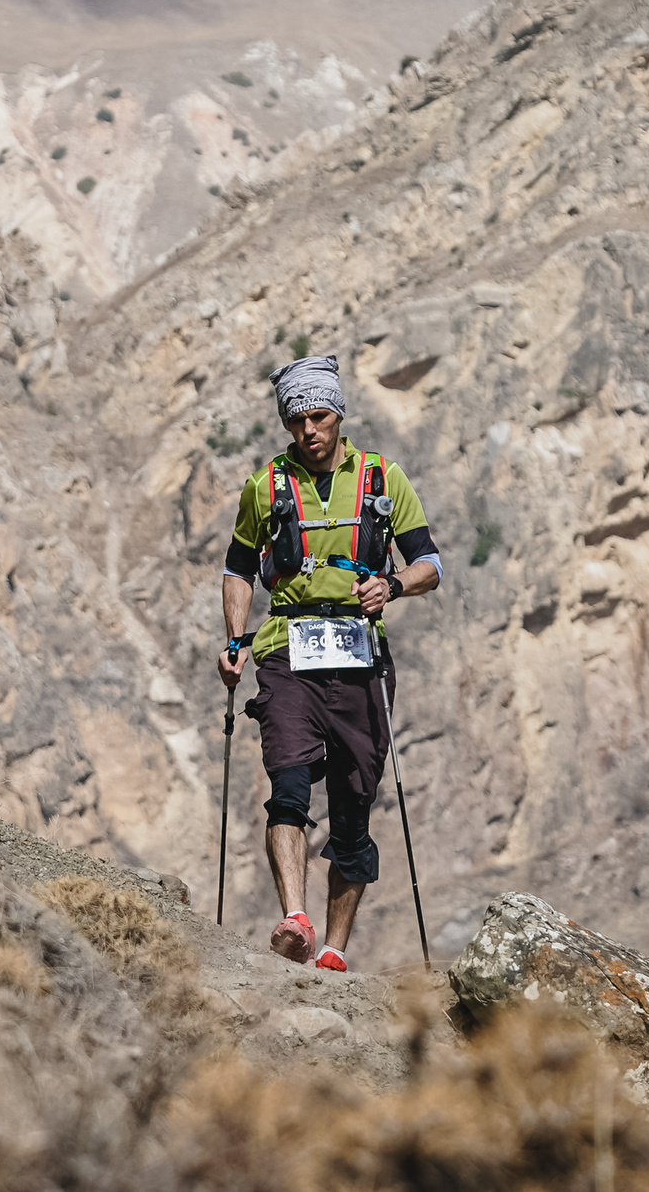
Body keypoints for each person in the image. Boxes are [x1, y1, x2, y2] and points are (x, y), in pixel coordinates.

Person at [217, 355, 442, 971]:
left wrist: (393, 587)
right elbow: (238, 568)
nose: (307, 431)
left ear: (338, 414)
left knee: (351, 810)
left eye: (317, 417)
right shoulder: (264, 488)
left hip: (361, 656)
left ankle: (334, 951)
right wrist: (235, 640)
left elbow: (431, 564)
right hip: (288, 650)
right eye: (296, 421)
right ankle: (295, 918)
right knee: (288, 787)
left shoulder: (382, 478)